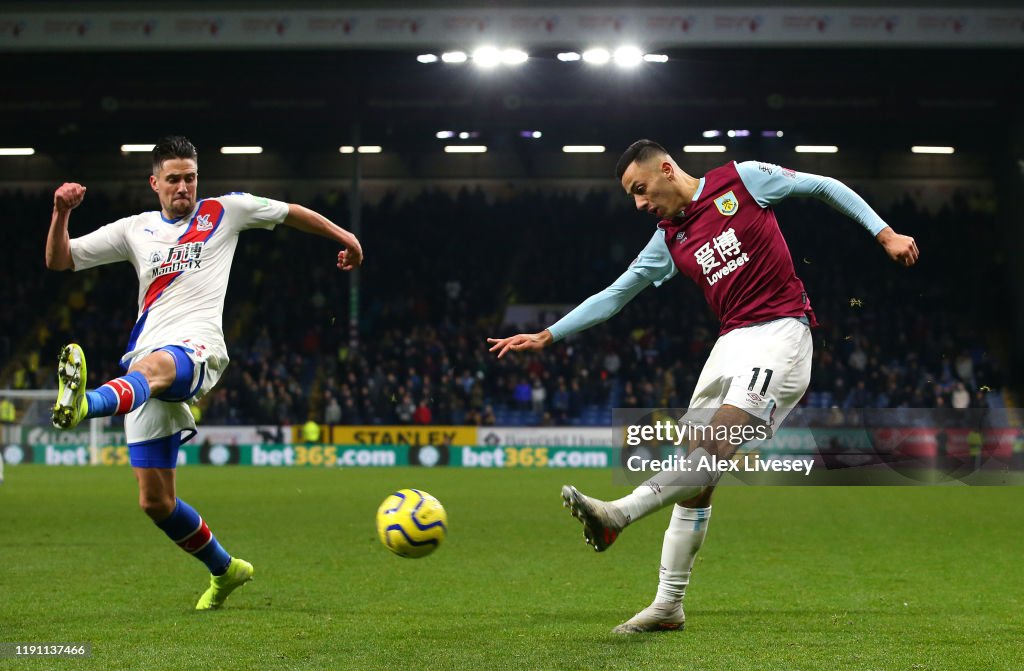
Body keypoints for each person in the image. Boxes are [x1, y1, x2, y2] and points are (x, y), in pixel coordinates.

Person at [487, 139, 918, 634]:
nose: (640, 204)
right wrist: (548, 334)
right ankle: (668, 605)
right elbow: (617, 292)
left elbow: (821, 186)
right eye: (632, 195)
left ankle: (618, 514)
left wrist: (884, 233)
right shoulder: (668, 238)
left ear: (667, 169)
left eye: (642, 190)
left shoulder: (743, 179)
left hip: (781, 333)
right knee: (697, 476)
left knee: (711, 450)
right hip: (730, 344)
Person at [45, 136, 363, 610]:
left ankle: (85, 403)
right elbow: (60, 259)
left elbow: (291, 211)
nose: (184, 187)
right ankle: (226, 569)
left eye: (190, 177)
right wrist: (60, 213)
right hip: (144, 364)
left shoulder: (225, 211)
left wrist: (347, 238)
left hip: (199, 349)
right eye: (173, 179)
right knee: (156, 503)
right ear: (154, 183)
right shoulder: (136, 229)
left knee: (154, 367)